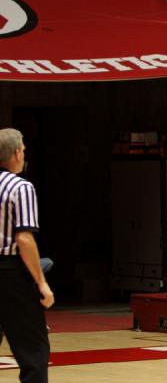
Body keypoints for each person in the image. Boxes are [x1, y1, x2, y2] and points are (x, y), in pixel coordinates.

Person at [0, 128, 54, 383]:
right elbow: (24, 238)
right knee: (34, 351)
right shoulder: (20, 187)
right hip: (10, 274)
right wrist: (41, 283)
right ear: (17, 153)